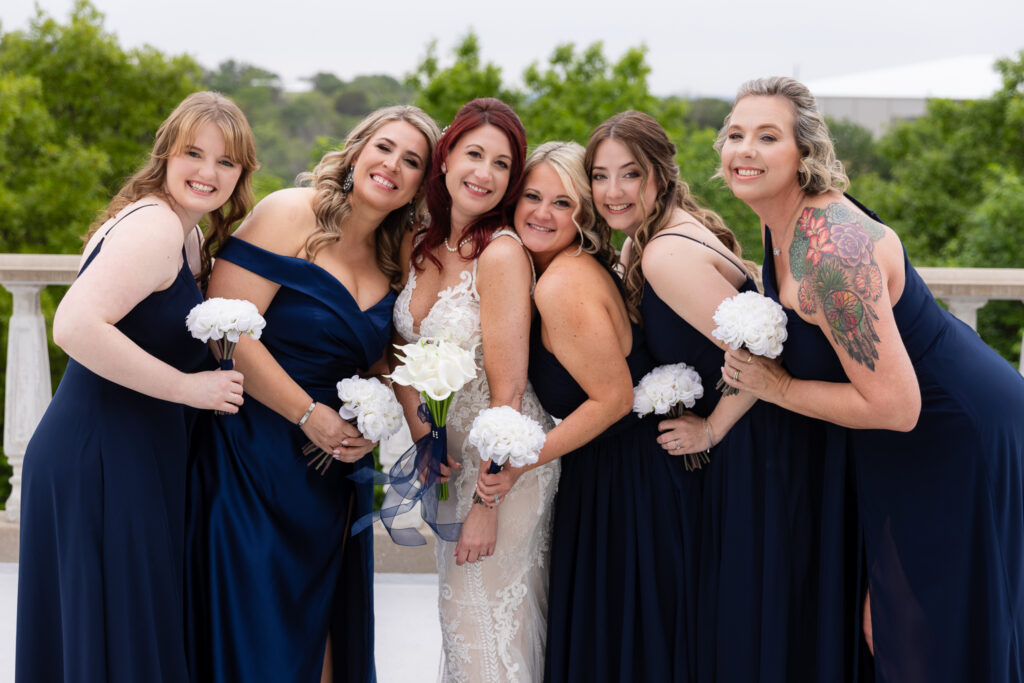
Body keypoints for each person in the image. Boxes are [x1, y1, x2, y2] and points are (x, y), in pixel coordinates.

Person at [717, 76, 1024, 682]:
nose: (744, 150)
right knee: (887, 624)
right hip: (902, 444)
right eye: (735, 134)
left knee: (928, 630)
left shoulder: (832, 253)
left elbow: (897, 406)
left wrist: (775, 387)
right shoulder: (778, 224)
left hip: (952, 436)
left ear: (803, 155)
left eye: (767, 136)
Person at [185, 105, 440, 683]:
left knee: (323, 631)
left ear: (422, 185)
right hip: (253, 452)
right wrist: (306, 414)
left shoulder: (396, 254)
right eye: (384, 148)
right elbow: (225, 328)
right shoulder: (289, 213)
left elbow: (390, 360)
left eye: (412, 162)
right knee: (259, 628)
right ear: (357, 151)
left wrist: (428, 435)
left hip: (333, 470)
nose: (391, 167)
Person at [15, 91, 255, 683]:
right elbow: (73, 325)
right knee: (113, 634)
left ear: (241, 174)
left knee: (121, 631)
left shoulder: (184, 231)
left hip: (129, 453)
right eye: (194, 153)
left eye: (226, 162)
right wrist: (187, 388)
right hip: (100, 453)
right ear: (165, 154)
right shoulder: (154, 226)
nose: (207, 172)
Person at [588, 109, 825, 682]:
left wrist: (712, 428)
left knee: (742, 625)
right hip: (742, 446)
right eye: (599, 175)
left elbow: (762, 354)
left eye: (631, 174)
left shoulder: (663, 254)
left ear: (661, 176)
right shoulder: (654, 236)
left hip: (751, 446)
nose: (613, 192)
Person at [478, 140, 699, 682]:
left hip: (628, 484)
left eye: (563, 202)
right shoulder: (568, 267)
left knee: (627, 642)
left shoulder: (562, 284)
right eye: (532, 196)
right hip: (609, 474)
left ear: (584, 213)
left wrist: (521, 464)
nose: (542, 213)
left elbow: (614, 399)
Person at [391, 97, 560, 682]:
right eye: (474, 154)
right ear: (444, 159)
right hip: (450, 462)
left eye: (502, 164)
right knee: (460, 626)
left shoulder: (502, 253)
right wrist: (422, 433)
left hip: (504, 475)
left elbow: (509, 395)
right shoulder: (418, 240)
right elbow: (401, 354)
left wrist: (487, 506)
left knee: (485, 633)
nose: (484, 174)